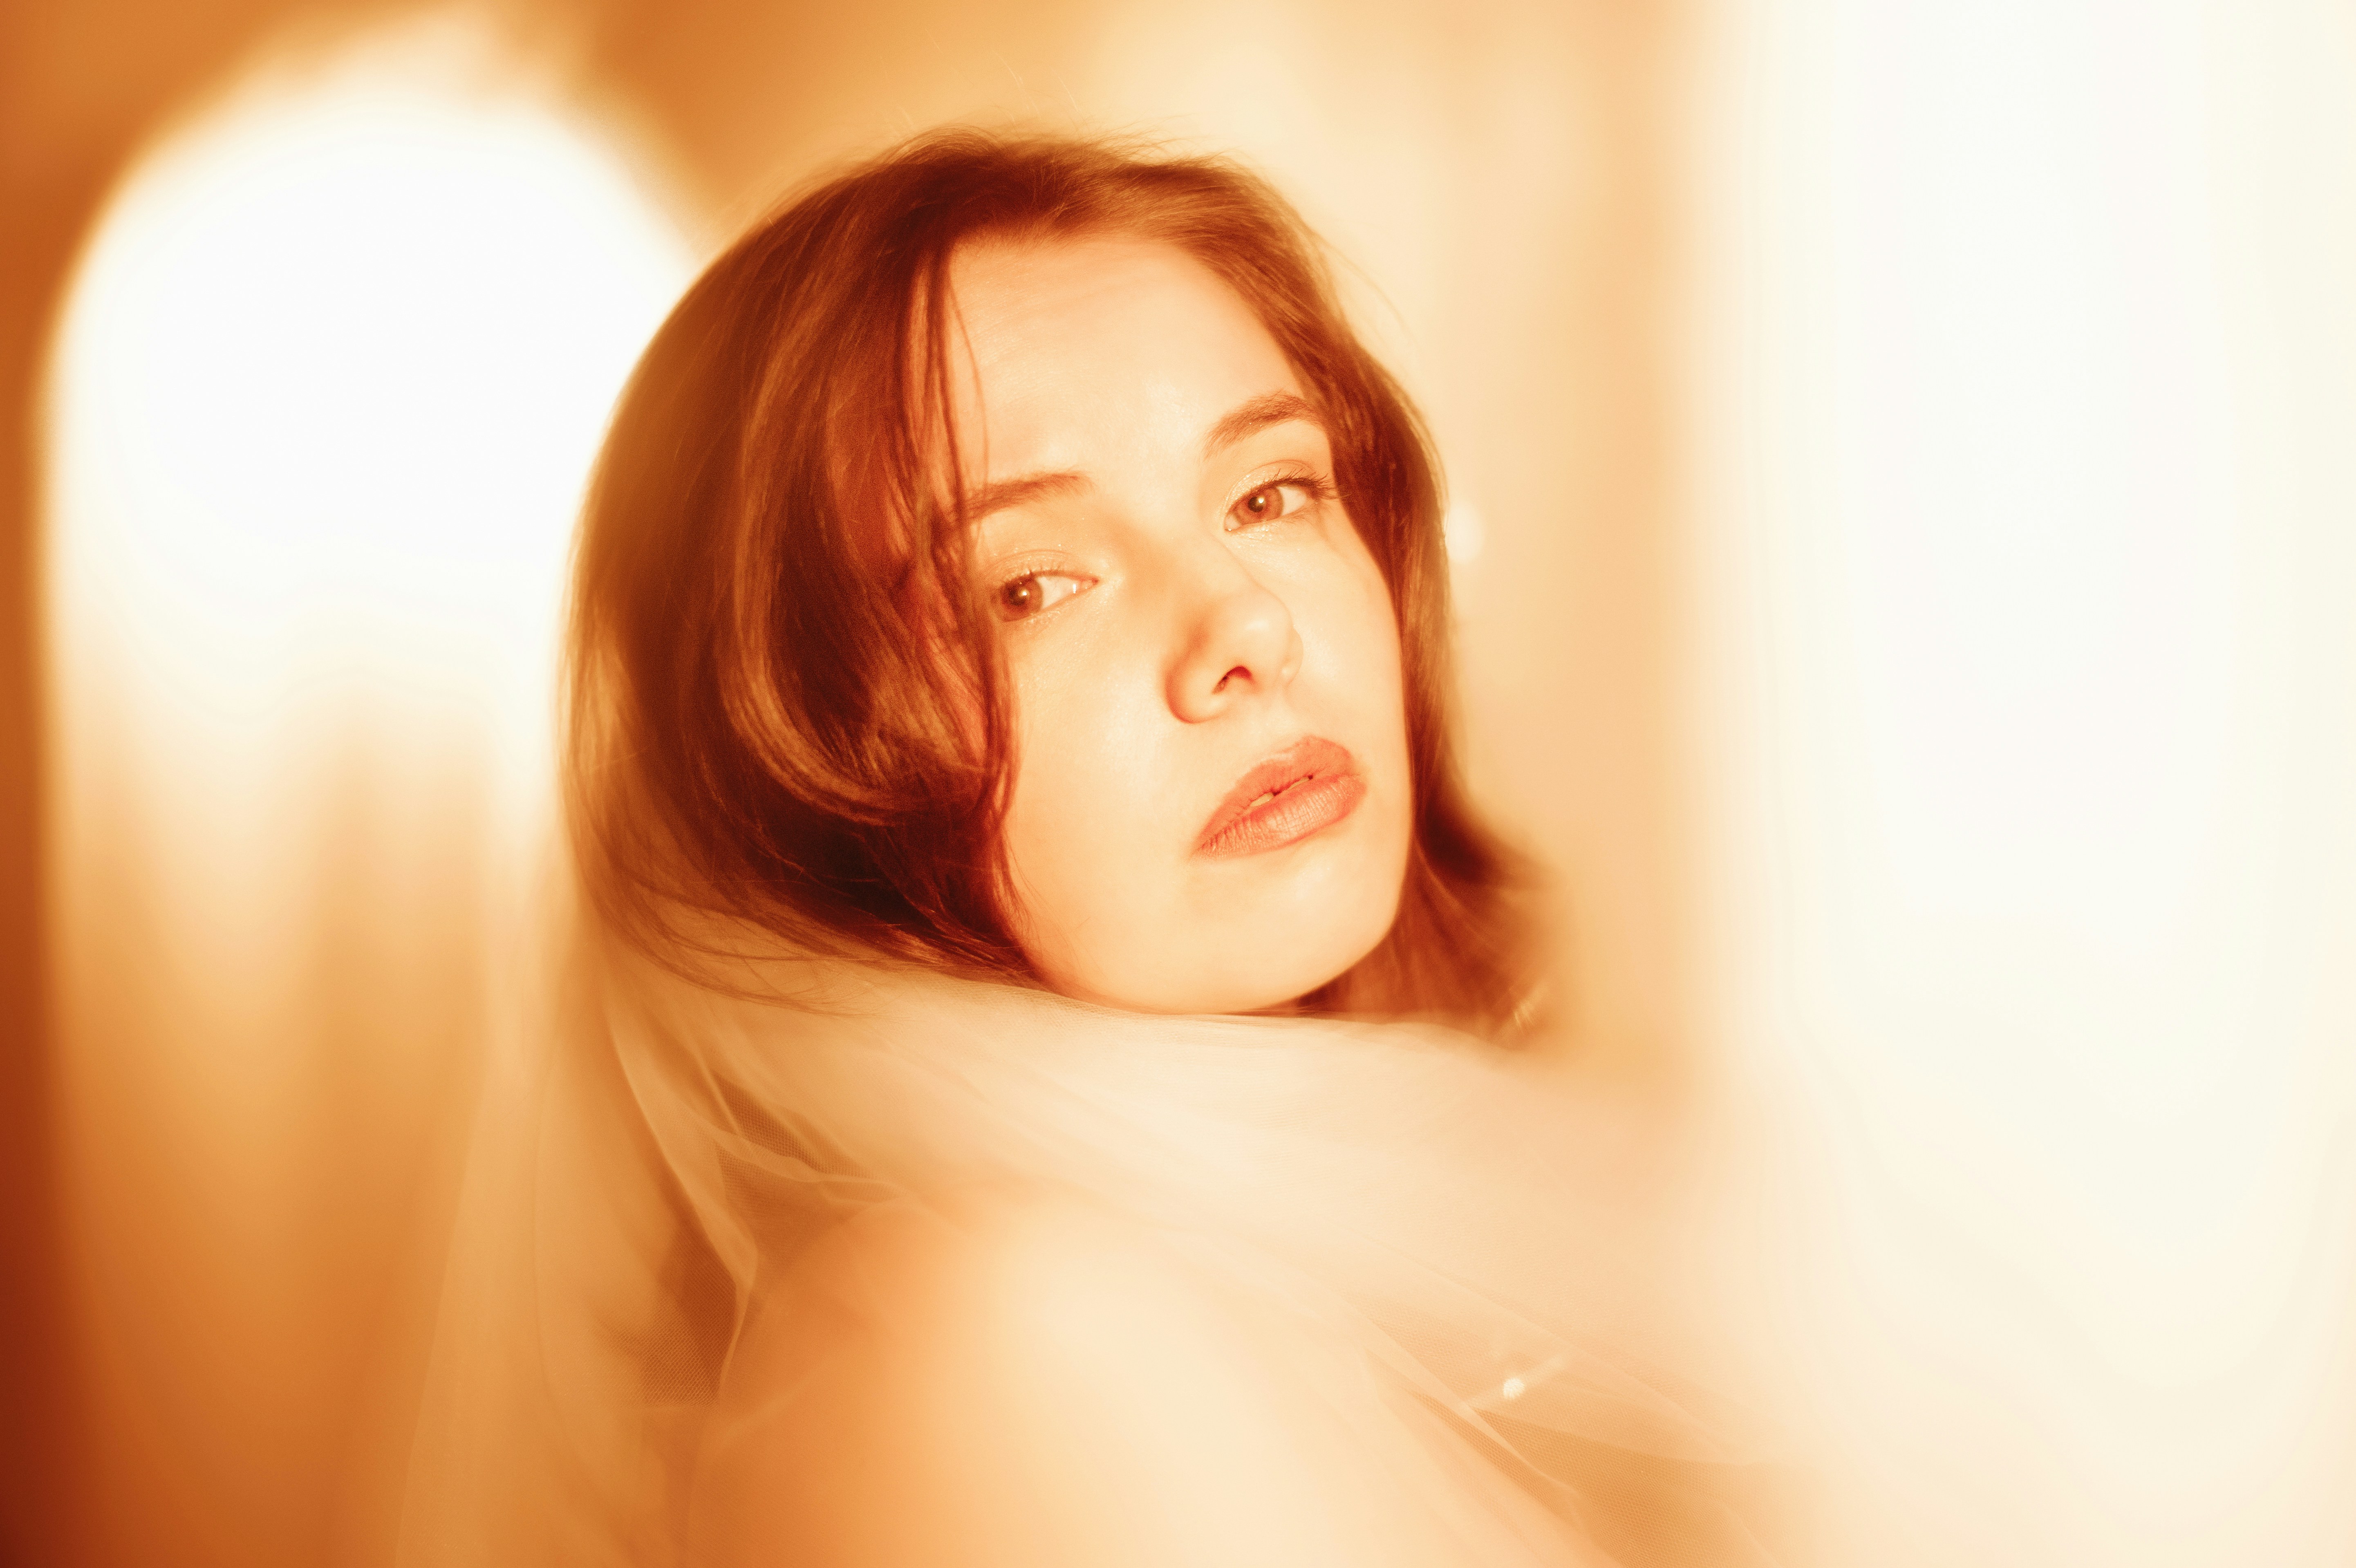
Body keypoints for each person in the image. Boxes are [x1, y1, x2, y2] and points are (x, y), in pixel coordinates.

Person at [401, 129, 1787, 1568]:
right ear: (794, 755)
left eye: (1270, 494)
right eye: (1032, 585)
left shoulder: (1346, 1237)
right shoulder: (988, 1326)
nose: (1245, 627)